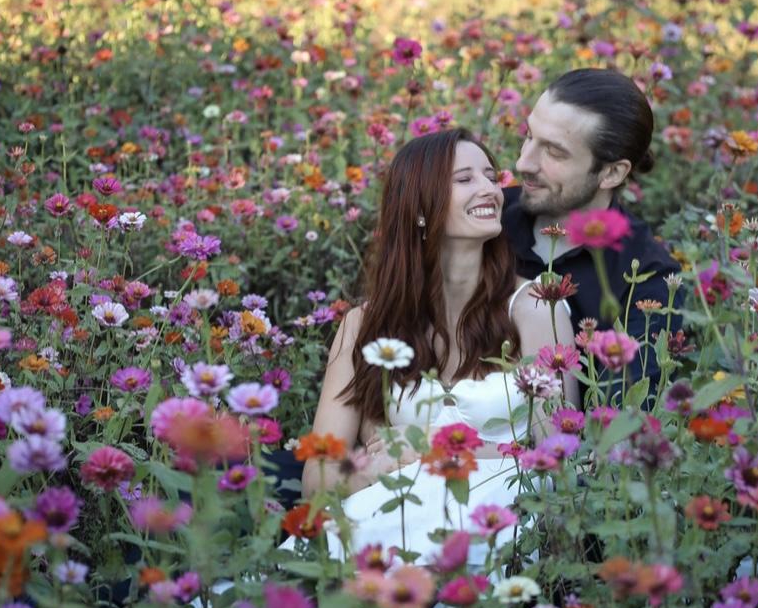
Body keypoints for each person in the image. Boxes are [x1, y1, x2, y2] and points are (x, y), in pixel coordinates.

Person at [291, 128, 576, 567]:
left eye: (491, 176)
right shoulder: (362, 327)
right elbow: (316, 478)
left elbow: (562, 460)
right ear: (421, 206)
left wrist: (434, 449)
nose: (490, 190)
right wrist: (375, 468)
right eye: (464, 179)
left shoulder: (535, 309)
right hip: (386, 526)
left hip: (496, 535)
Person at [502, 67, 685, 408]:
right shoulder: (487, 220)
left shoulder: (646, 279)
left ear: (612, 172)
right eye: (529, 135)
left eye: (554, 152)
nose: (523, 162)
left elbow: (618, 417)